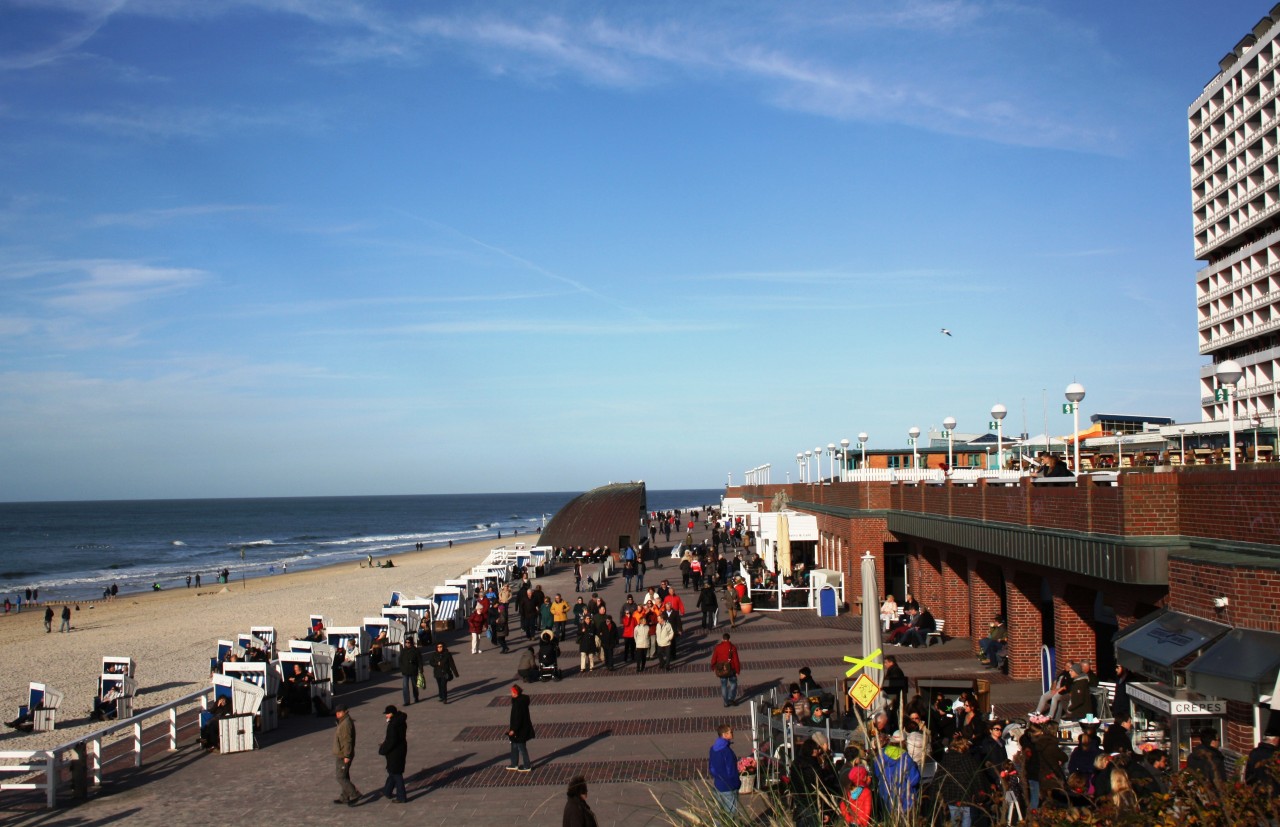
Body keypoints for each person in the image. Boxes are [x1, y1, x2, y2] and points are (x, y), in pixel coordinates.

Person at [936, 734, 980, 827]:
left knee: (955, 818)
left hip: (950, 794)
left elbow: (939, 776)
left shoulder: (946, 759)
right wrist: (979, 795)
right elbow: (977, 778)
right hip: (965, 793)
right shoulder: (968, 759)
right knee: (966, 818)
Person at [707, 723, 740, 816]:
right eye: (731, 732)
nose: (732, 734)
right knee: (730, 814)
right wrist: (737, 784)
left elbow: (711, 767)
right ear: (725, 735)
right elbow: (731, 770)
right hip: (729, 786)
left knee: (719, 814)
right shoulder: (726, 751)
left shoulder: (713, 749)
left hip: (718, 784)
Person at [377, 704, 408, 803]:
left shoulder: (393, 725)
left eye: (387, 714)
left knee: (396, 774)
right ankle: (387, 791)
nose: (386, 716)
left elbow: (392, 741)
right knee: (392, 772)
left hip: (395, 752)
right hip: (401, 749)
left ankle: (401, 797)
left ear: (391, 714)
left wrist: (383, 749)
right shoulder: (400, 721)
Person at [332, 704, 360, 806]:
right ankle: (344, 797)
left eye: (339, 712)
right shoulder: (343, 721)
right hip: (342, 753)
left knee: (340, 777)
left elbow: (347, 741)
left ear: (345, 712)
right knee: (345, 776)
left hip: (343, 754)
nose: (337, 714)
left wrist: (347, 756)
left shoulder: (345, 724)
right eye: (336, 713)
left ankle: (355, 794)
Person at [1245, 721, 1280, 795]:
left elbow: (1248, 774)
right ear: (1275, 740)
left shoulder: (1254, 753)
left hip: (1257, 791)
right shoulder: (1275, 756)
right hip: (1273, 793)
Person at [507, 685, 534, 772]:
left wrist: (513, 730)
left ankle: (527, 765)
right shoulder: (521, 700)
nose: (511, 693)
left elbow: (517, 718)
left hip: (520, 730)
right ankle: (514, 763)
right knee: (514, 745)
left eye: (512, 692)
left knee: (521, 747)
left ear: (515, 693)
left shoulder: (518, 703)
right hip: (522, 728)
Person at [710, 633, 741, 707]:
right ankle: (731, 698)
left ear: (722, 639)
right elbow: (736, 660)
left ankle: (725, 702)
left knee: (724, 686)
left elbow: (714, 658)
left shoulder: (718, 647)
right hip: (731, 670)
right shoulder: (732, 647)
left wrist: (713, 667)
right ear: (729, 639)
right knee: (733, 684)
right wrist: (737, 670)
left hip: (721, 670)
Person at [398, 638, 422, 705]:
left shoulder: (416, 650)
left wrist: (421, 669)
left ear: (412, 643)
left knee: (414, 685)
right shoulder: (403, 650)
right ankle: (406, 701)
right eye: (406, 642)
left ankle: (416, 697)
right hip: (405, 671)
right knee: (405, 686)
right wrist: (402, 668)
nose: (407, 644)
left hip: (413, 670)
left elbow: (420, 660)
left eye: (409, 642)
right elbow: (400, 660)